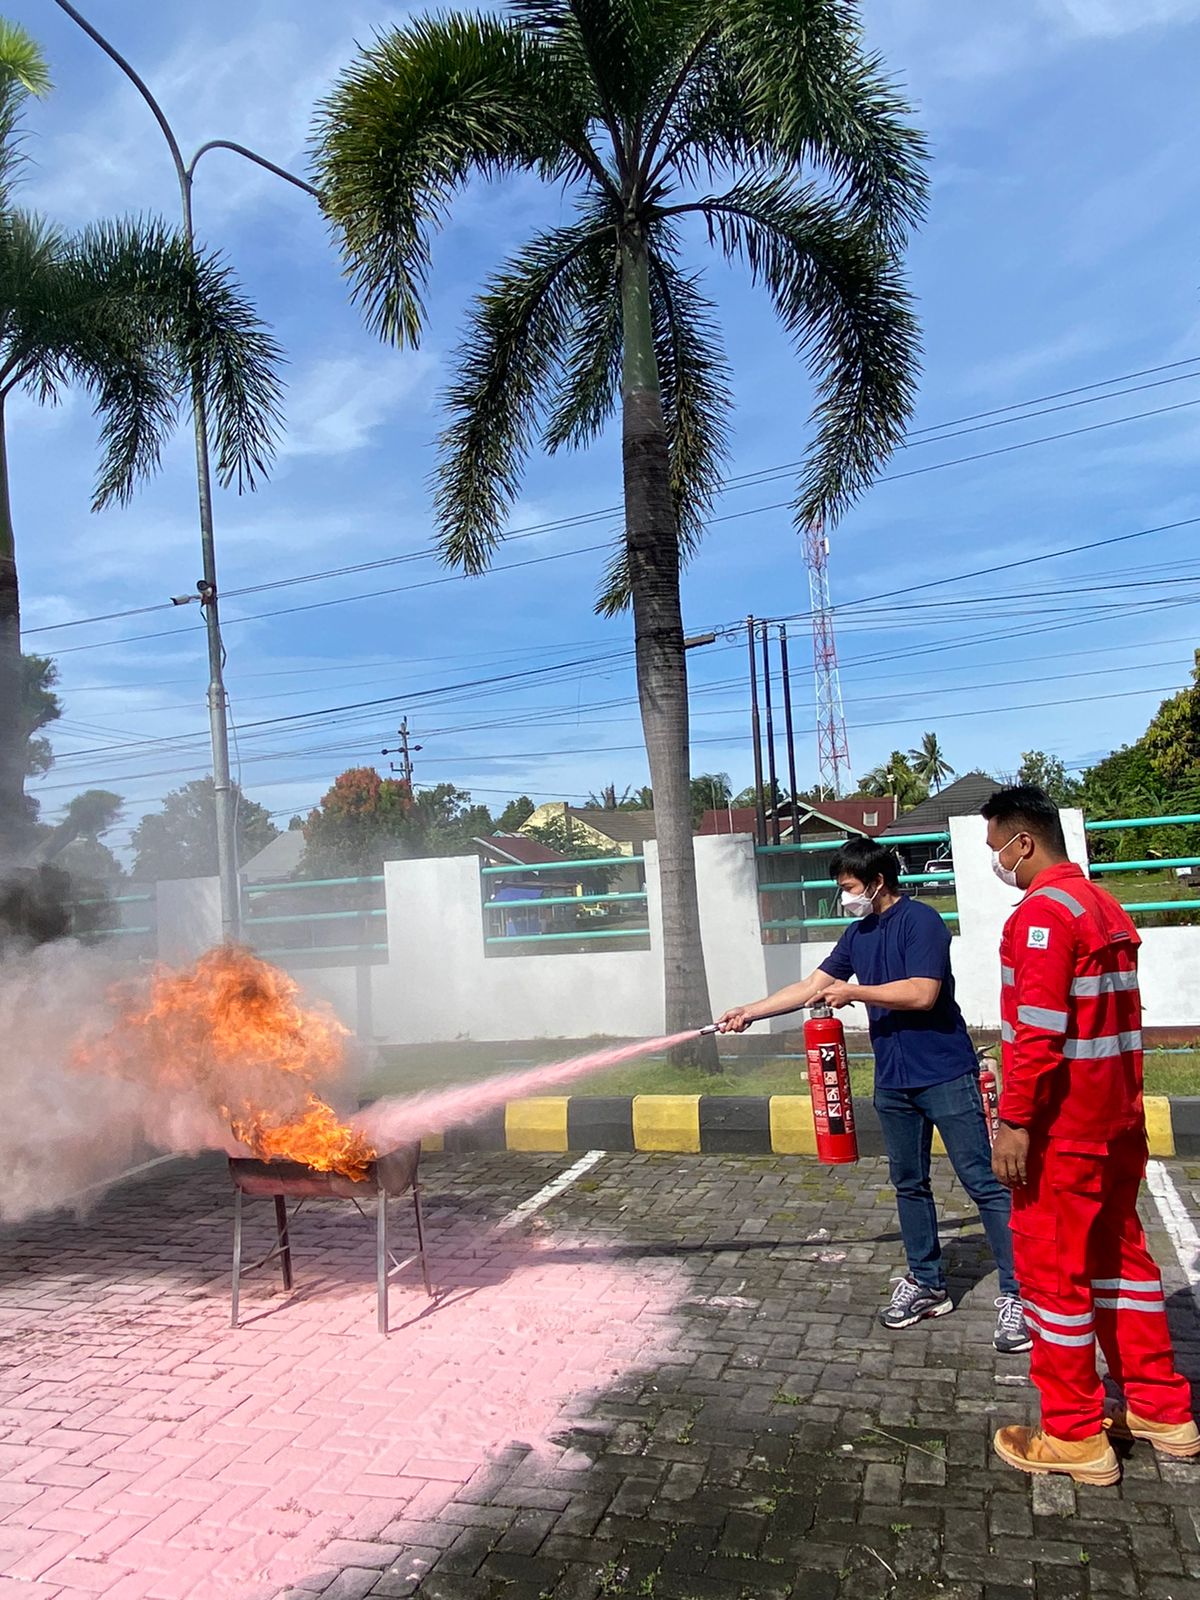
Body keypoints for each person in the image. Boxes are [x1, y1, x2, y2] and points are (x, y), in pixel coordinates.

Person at [718, 837, 1030, 1353]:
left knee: (984, 1183)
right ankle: (927, 1284)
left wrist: (855, 992)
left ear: (878, 881)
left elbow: (922, 992)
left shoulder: (922, 921)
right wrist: (750, 1011)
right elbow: (812, 985)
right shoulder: (857, 934)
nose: (845, 897)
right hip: (894, 1080)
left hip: (945, 1074)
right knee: (909, 1183)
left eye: (848, 887)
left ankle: (1020, 1294)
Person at [982, 785, 1199, 1485]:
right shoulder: (1104, 906)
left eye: (996, 850)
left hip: (1060, 1131)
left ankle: (1074, 1434)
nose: (997, 863)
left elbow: (1038, 1034)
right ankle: (1162, 1409)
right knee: (1125, 1265)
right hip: (1116, 1123)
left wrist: (1015, 1121)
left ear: (1025, 842)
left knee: (1053, 1279)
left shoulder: (1042, 914)